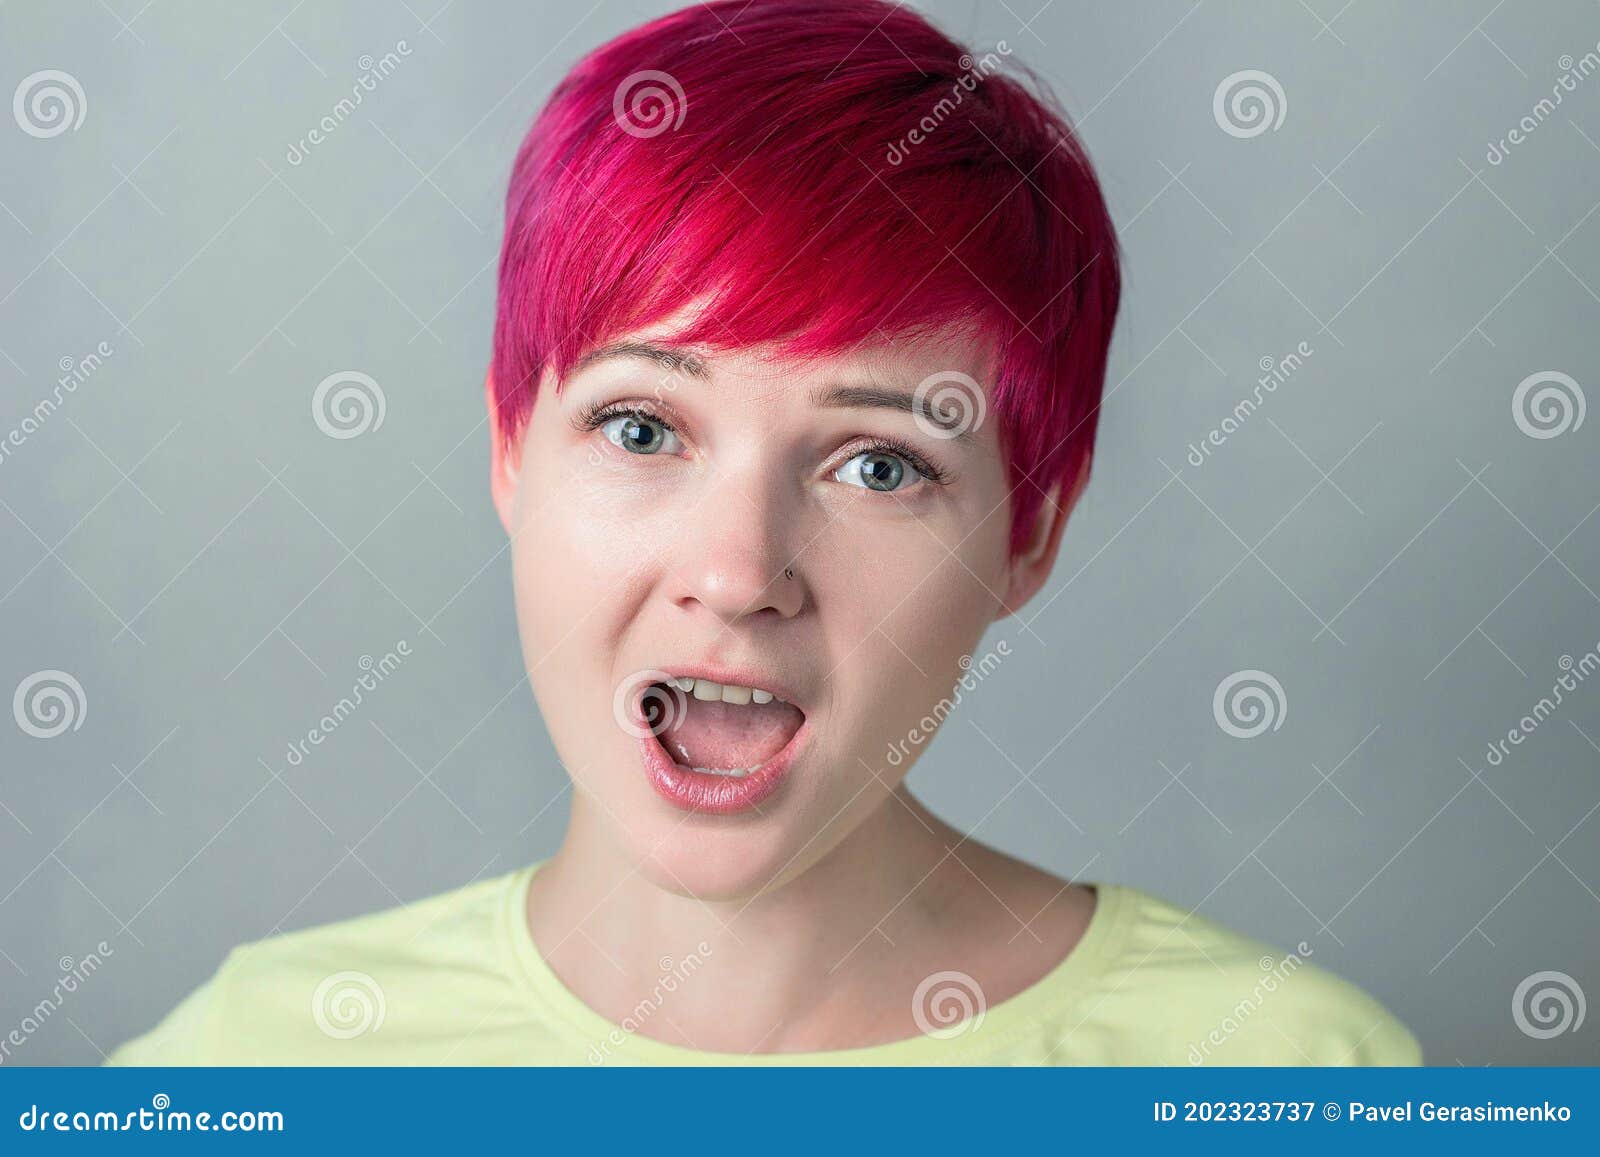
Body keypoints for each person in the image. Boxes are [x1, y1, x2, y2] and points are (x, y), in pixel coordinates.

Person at [107, 0, 1421, 1065]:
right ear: (511, 448)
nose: (741, 573)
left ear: (1030, 537)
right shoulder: (249, 1065)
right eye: (640, 429)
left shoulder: (1282, 1072)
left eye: (879, 463)